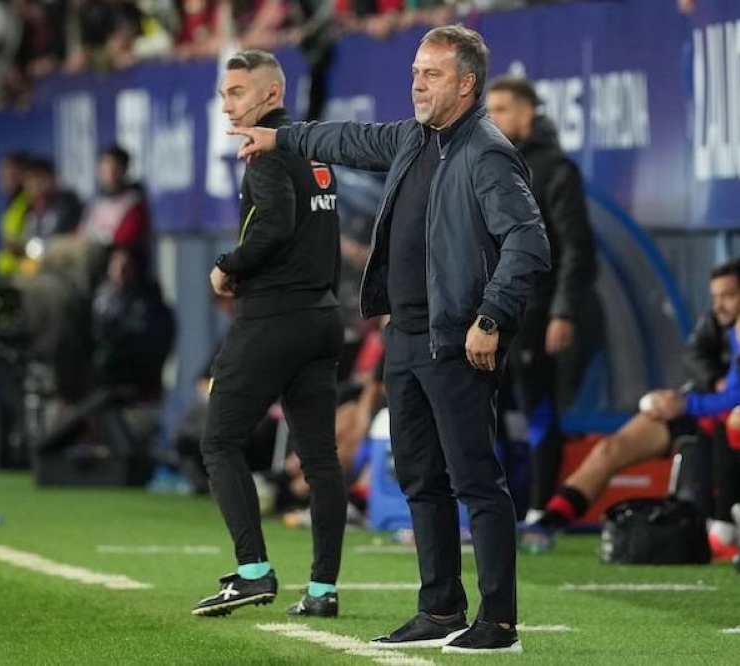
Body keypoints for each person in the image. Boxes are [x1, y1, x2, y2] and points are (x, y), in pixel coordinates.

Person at [231, 25, 550, 653]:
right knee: (420, 479)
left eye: (432, 74)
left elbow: (528, 241)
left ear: (466, 83)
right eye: (414, 72)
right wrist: (283, 137)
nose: (418, 83)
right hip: (405, 335)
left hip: (457, 338)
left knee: (476, 481)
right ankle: (438, 609)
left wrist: (490, 317)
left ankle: (500, 623)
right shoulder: (412, 138)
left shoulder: (485, 150)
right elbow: (349, 138)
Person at [192, 49, 347, 619]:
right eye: (223, 95)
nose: (228, 104)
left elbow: (274, 227)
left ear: (272, 95)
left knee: (219, 442)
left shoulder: (267, 154)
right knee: (320, 460)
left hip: (274, 319)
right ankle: (324, 589)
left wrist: (227, 266)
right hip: (322, 316)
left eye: (236, 92)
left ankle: (253, 572)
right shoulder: (313, 150)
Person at [525, 260, 740, 555]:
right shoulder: (720, 323)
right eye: (715, 297)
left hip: (711, 414)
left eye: (728, 296)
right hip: (699, 410)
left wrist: (685, 403)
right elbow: (695, 357)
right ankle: (547, 523)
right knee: (610, 448)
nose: (719, 305)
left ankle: (724, 528)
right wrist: (700, 389)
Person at [486, 76, 599, 525]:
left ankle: (538, 508)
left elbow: (576, 246)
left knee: (537, 401)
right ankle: (496, 507)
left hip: (538, 307)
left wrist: (563, 310)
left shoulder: (554, 169)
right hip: (493, 309)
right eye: (488, 110)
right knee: (490, 406)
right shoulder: (488, 164)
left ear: (527, 113)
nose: (492, 118)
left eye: (502, 110)